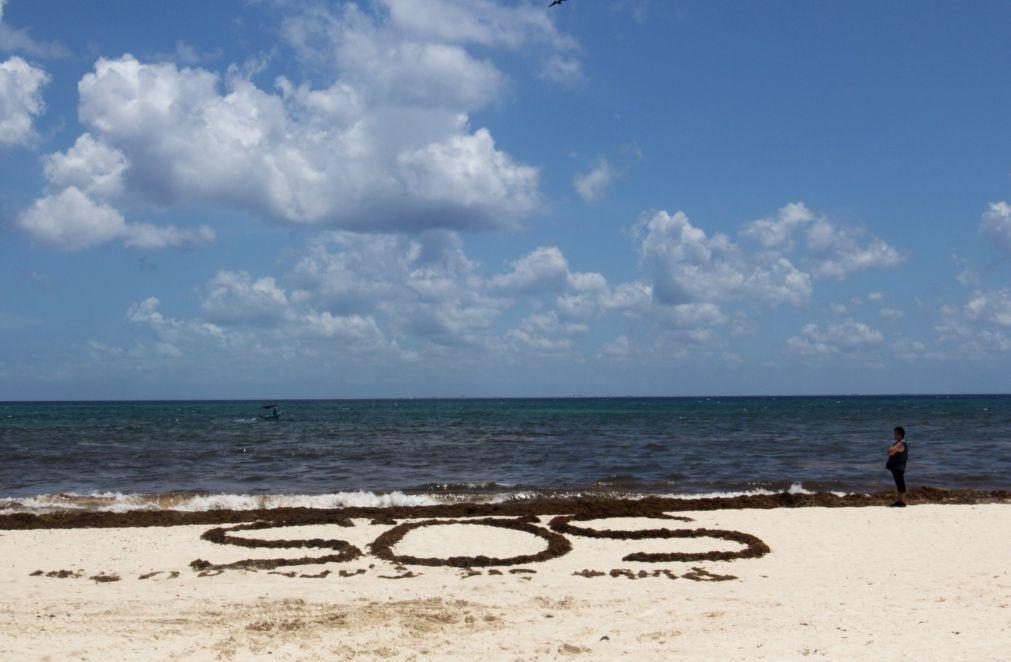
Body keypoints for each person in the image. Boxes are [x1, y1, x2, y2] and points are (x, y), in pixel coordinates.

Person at [885, 426, 908, 507]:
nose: (894, 435)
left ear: (900, 435)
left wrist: (891, 450)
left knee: (900, 484)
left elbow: (890, 452)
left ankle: (902, 502)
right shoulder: (897, 444)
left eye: (895, 434)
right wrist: (891, 450)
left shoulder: (901, 444)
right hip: (896, 467)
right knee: (899, 484)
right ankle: (900, 501)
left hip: (899, 467)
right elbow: (890, 452)